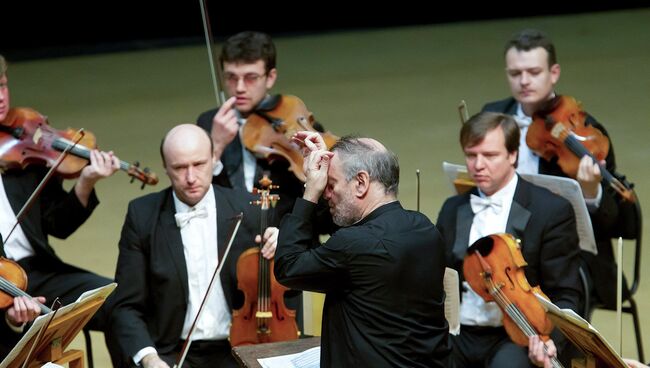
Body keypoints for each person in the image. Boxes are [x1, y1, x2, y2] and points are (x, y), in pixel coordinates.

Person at [482, 29, 629, 311]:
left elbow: (618, 221)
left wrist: (591, 192)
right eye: (515, 73)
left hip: (565, 253)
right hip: (504, 238)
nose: (524, 81)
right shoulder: (493, 116)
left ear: (554, 73)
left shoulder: (587, 134)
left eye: (534, 72)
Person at [274, 132, 450, 367]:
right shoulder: (425, 229)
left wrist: (310, 190)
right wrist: (335, 163)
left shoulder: (353, 244)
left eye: (331, 184)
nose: (326, 194)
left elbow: (288, 267)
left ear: (360, 182)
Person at [110, 124, 279, 368]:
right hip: (171, 353)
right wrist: (150, 359)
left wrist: (282, 249)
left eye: (199, 165)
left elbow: (281, 288)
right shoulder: (142, 216)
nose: (190, 178)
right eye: (179, 168)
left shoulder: (249, 208)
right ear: (165, 168)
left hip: (242, 346)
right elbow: (126, 307)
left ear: (213, 159)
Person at [0, 54, 122, 363]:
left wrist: (85, 182)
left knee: (117, 302)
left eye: (2, 86)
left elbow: (58, 225)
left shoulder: (22, 145)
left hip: (38, 270)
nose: (0, 98)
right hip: (1, 284)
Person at [436, 112, 582, 367]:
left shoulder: (550, 211)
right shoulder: (452, 209)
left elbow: (566, 293)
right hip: (459, 333)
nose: (478, 165)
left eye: (490, 155)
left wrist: (551, 342)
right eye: (471, 155)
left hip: (517, 337)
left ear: (513, 155)